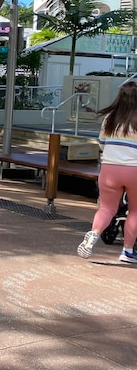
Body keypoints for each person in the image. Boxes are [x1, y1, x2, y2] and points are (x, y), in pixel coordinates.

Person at [77, 82, 137, 263]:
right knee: (135, 211)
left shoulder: (109, 118)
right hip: (134, 170)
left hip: (109, 169)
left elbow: (102, 144)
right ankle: (127, 251)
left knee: (107, 208)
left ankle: (93, 234)